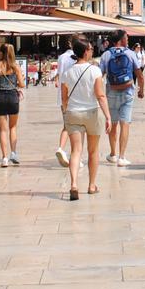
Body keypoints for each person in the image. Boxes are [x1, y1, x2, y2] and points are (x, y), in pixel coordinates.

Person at [60, 37, 110, 200]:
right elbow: (100, 95)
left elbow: (64, 98)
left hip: (73, 113)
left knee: (75, 151)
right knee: (93, 151)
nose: (92, 51)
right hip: (92, 113)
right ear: (85, 51)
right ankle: (91, 185)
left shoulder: (67, 73)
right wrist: (108, 116)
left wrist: (67, 111)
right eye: (90, 49)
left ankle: (74, 184)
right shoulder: (94, 70)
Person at [99, 29, 143, 167]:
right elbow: (139, 74)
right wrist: (142, 89)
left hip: (111, 92)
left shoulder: (106, 55)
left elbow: (100, 75)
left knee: (113, 123)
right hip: (128, 91)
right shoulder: (130, 54)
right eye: (126, 37)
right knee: (125, 123)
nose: (128, 39)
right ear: (120, 40)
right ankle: (122, 157)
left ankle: (113, 154)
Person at [0, 43, 25, 167]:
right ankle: (13, 153)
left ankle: (4, 158)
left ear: (2, 53)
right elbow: (22, 84)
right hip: (13, 97)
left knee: (3, 130)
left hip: (0, 97)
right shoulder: (15, 66)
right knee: (12, 127)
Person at [54, 36, 84, 168]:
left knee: (67, 125)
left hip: (62, 96)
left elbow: (60, 75)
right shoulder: (79, 56)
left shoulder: (61, 57)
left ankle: (61, 148)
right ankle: (76, 156)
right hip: (76, 96)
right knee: (78, 128)